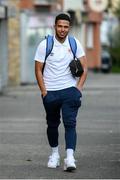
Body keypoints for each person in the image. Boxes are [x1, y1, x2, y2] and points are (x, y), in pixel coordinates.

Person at [34, 13, 87, 171]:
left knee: (70, 123)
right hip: (51, 92)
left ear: (69, 28)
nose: (62, 29)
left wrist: (78, 89)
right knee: (52, 124)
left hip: (70, 91)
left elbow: (85, 67)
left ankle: (70, 158)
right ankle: (55, 154)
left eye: (65, 27)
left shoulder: (74, 43)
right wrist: (44, 92)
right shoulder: (45, 45)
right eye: (60, 26)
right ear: (54, 27)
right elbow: (38, 70)